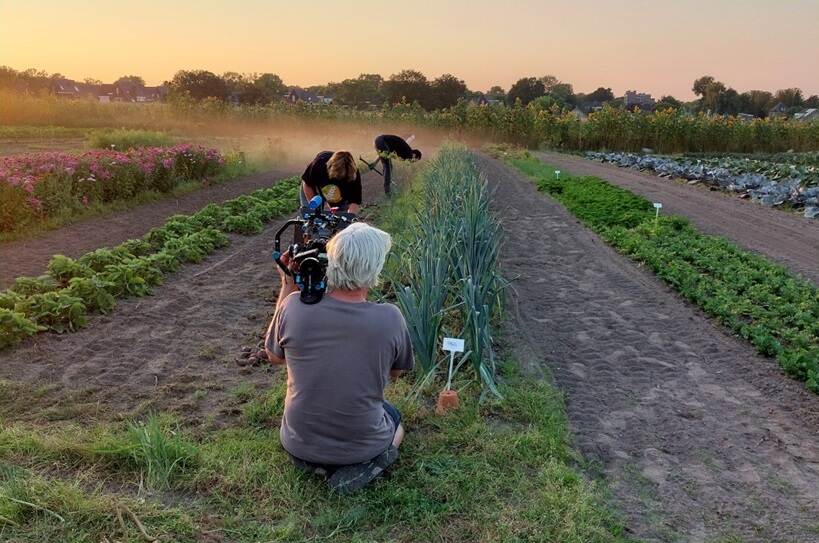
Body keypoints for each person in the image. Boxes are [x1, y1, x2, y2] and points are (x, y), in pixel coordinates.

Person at [264, 222, 414, 493]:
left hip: (297, 443)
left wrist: (287, 285)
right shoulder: (390, 317)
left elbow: (275, 357)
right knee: (394, 417)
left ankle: (314, 463)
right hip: (361, 446)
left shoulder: (294, 306)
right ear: (374, 269)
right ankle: (371, 462)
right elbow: (395, 373)